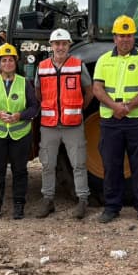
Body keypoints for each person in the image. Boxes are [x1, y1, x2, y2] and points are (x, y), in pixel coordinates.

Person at [91, 15, 138, 224]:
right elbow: (97, 89)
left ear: (133, 37)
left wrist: (128, 107)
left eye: (129, 35)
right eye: (121, 35)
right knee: (111, 165)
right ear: (114, 38)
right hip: (111, 121)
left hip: (137, 120)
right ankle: (111, 207)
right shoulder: (104, 60)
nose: (125, 39)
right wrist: (115, 107)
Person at [33, 28, 93, 219]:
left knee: (79, 164)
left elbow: (89, 91)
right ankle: (48, 200)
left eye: (63, 43)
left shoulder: (78, 66)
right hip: (49, 125)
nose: (60, 47)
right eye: (56, 43)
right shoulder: (42, 67)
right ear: (51, 46)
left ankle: (83, 200)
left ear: (69, 45)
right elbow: (38, 92)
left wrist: (78, 109)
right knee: (48, 165)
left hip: (73, 125)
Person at [0, 43, 39, 219]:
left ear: (16, 62)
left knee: (19, 171)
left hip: (20, 135)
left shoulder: (24, 83)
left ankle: (19, 206)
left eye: (10, 60)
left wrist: (20, 115)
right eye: (3, 60)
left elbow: (34, 107)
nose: (7, 63)